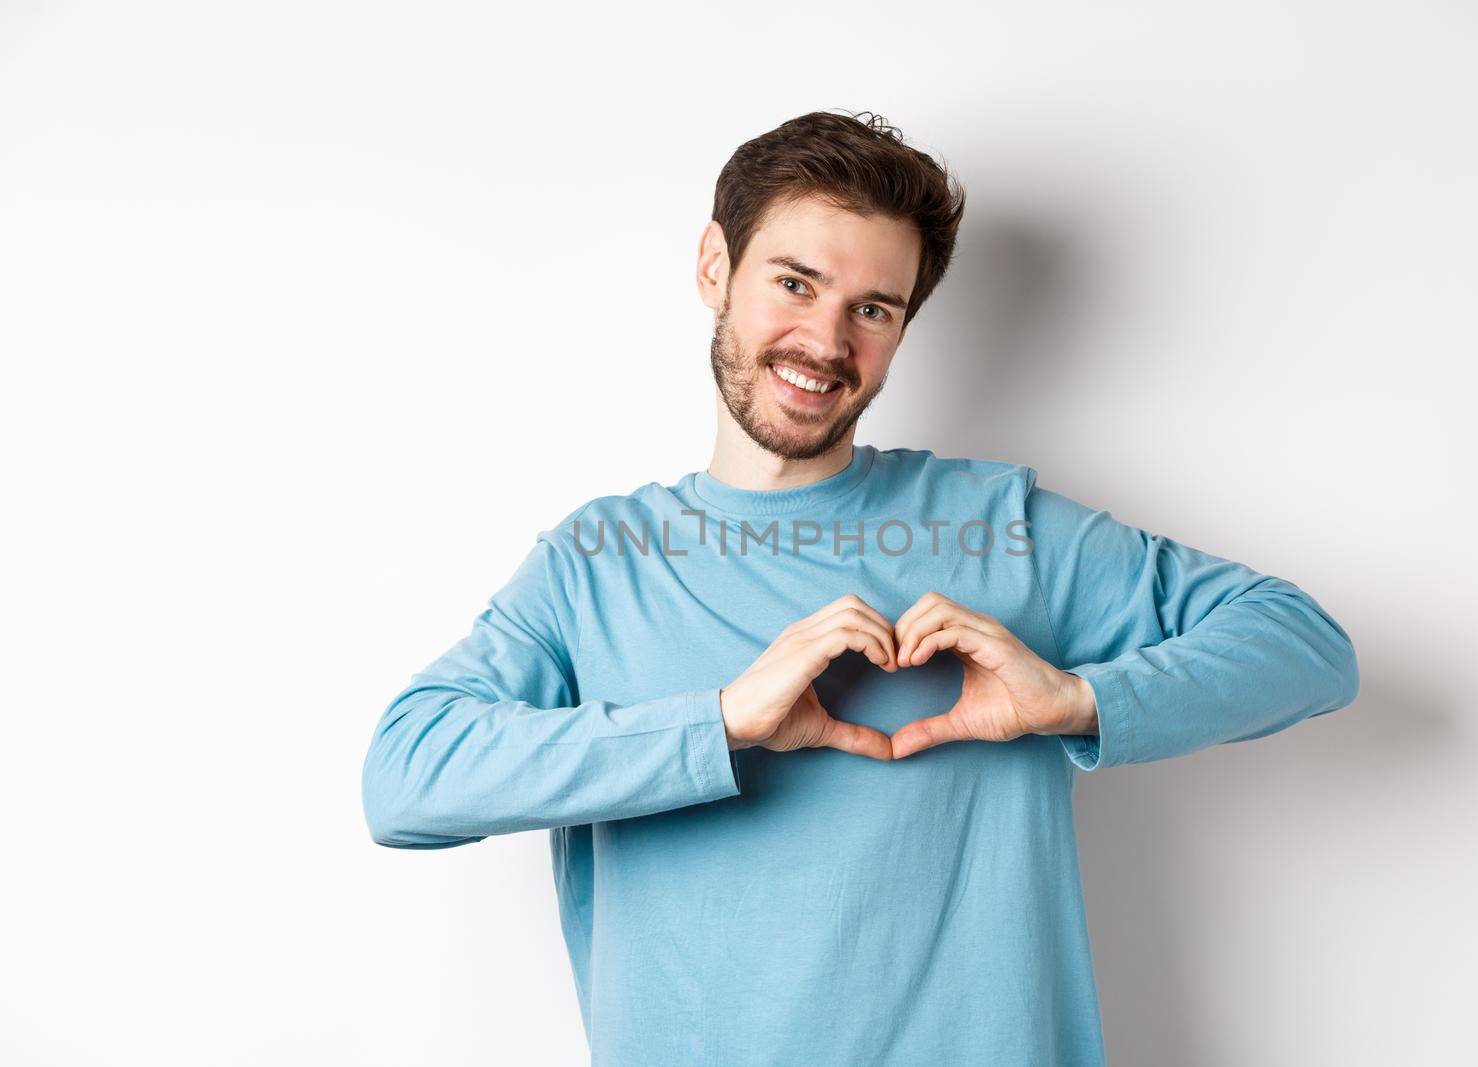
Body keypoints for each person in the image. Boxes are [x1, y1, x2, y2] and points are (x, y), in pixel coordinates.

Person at [360, 109, 1361, 1066]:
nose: (826, 342)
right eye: (793, 283)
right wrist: (717, 723)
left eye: (871, 309)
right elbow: (404, 778)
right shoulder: (598, 560)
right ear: (716, 266)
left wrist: (1072, 699)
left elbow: (1306, 645)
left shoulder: (999, 526)